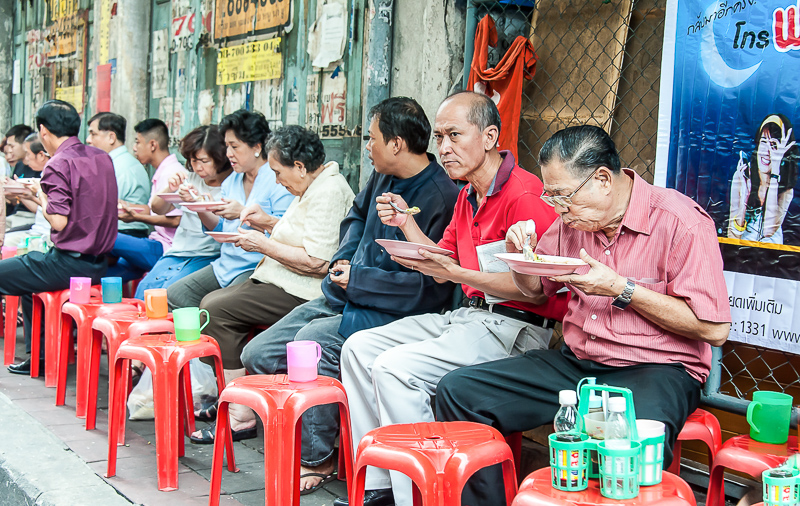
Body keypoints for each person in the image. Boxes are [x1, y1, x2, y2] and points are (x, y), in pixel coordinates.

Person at [435, 125, 732, 506]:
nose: (556, 209)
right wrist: (521, 258)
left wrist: (622, 290)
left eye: (563, 197)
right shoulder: (573, 222)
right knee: (459, 392)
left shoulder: (680, 223)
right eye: (551, 195)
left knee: (626, 448)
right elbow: (535, 292)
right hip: (576, 363)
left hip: (656, 369)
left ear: (603, 180)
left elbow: (715, 328)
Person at [334, 91, 568, 506]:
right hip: (470, 317)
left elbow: (537, 291)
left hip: (515, 327)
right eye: (439, 137)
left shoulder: (524, 196)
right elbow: (442, 257)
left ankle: (422, 495)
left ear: (490, 135)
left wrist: (457, 273)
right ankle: (381, 487)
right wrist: (406, 226)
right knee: (358, 348)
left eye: (455, 135)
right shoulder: (466, 195)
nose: (443, 148)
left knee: (395, 368)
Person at [240, 97, 460, 495]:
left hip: (388, 313)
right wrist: (343, 262)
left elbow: (429, 289)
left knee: (310, 345)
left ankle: (319, 456)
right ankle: (321, 428)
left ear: (395, 143)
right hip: (345, 294)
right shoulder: (381, 176)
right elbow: (356, 218)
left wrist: (358, 279)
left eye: (371, 138)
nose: (366, 147)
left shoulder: (440, 196)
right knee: (259, 353)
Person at [189, 126, 355, 447]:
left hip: (301, 288)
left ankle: (241, 412)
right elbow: (299, 233)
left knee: (215, 309)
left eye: (279, 173)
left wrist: (262, 245)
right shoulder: (310, 186)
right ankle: (233, 396)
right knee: (212, 302)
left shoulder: (328, 191)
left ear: (301, 167)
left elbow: (317, 260)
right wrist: (265, 221)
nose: (277, 180)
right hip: (277, 277)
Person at [2, 100, 118, 375]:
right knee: (28, 281)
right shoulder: (101, 157)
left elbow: (58, 221)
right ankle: (39, 357)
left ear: (43, 131)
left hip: (69, 264)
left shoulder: (58, 164)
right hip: (100, 262)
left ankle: (41, 356)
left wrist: (40, 194)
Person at [166, 109, 293, 309]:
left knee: (216, 306)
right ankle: (197, 339)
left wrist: (242, 212)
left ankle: (220, 339)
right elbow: (220, 229)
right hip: (226, 264)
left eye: (234, 147)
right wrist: (200, 206)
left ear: (257, 147)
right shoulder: (232, 180)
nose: (228, 154)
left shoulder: (277, 179)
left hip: (257, 266)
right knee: (175, 294)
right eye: (227, 146)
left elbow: (286, 233)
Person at [133, 125, 233, 298]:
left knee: (168, 295)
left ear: (221, 158)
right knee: (144, 291)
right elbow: (157, 208)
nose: (198, 167)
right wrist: (170, 188)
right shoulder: (191, 178)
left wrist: (201, 205)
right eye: (193, 161)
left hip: (207, 256)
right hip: (178, 252)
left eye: (204, 161)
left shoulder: (232, 184)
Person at [108, 119, 187, 282]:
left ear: (152, 145)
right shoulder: (162, 171)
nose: (134, 148)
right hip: (155, 241)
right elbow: (153, 209)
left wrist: (135, 217)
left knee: (108, 237)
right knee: (109, 274)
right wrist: (129, 207)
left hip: (167, 248)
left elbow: (175, 220)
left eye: (137, 142)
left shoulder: (173, 174)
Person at [728, 113, 798, 244]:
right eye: (764, 142)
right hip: (743, 255)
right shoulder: (742, 176)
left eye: (774, 145)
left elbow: (767, 231)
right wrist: (744, 198)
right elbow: (731, 237)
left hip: (772, 257)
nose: (767, 151)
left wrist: (775, 171)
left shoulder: (786, 189)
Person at [86, 112, 151, 238]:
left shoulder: (120, 166)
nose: (88, 140)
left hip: (123, 235)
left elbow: (98, 208)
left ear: (111, 137)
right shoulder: (115, 163)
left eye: (93, 134)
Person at [3, 133, 52, 250]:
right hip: (34, 231)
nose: (26, 158)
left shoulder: (52, 176)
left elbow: (51, 211)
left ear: (41, 155)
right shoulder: (43, 173)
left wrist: (27, 194)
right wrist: (25, 194)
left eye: (28, 154)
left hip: (43, 236)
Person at [4, 124, 37, 230]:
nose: (9, 150)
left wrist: (19, 192)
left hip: (30, 218)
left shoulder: (38, 166)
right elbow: (15, 200)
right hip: (16, 214)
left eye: (12, 146)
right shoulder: (19, 165)